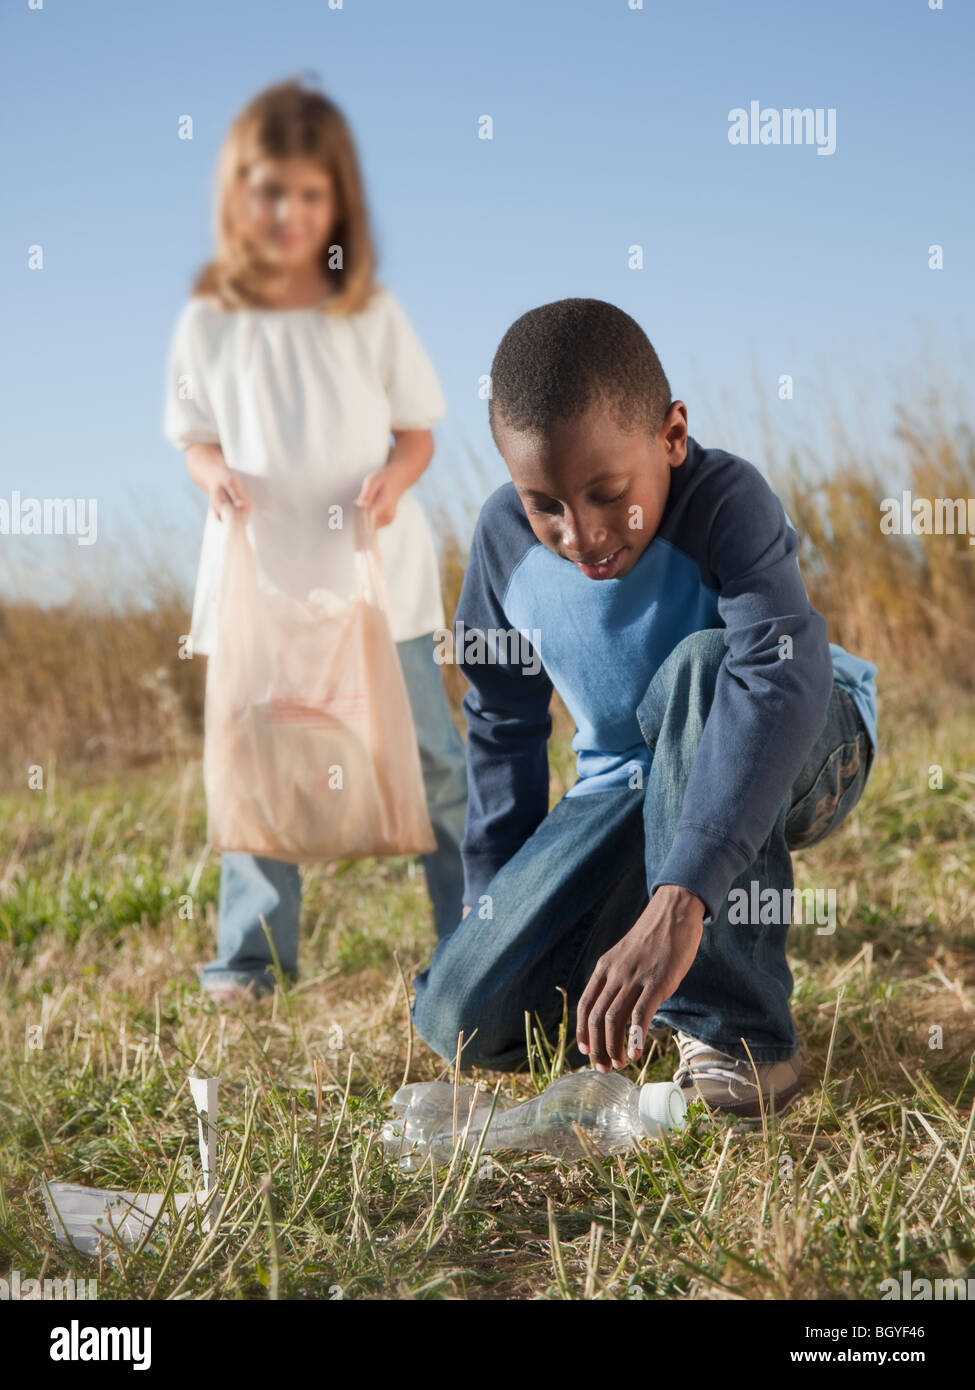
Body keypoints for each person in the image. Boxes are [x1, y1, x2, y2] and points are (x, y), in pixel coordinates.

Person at [411, 298, 878, 1118]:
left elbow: (775, 679)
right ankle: (641, 998)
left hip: (801, 743)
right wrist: (502, 910)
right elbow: (501, 732)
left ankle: (737, 1036)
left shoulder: (726, 499)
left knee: (702, 670)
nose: (580, 534)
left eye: (605, 494)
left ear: (670, 436)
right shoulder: (498, 545)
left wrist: (680, 898)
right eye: (543, 504)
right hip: (628, 784)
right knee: (456, 1016)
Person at [162, 79, 467, 1002]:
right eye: (267, 191)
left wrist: (392, 482)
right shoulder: (211, 321)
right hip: (259, 582)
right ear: (236, 195)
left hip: (377, 583)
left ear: (338, 200)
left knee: (434, 764)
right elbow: (193, 434)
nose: (287, 213)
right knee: (260, 766)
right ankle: (250, 960)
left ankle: (469, 942)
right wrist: (212, 473)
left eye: (308, 193)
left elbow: (417, 431)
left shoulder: (368, 314)